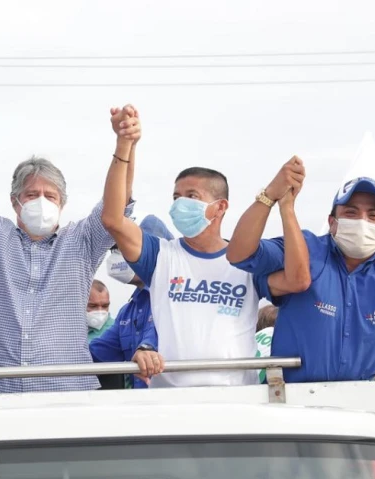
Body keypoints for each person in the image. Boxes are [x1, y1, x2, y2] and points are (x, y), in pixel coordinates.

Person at [0, 78, 137, 393]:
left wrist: (126, 144)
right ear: (15, 201)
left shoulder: (81, 241)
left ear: (62, 204)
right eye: (32, 193)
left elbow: (116, 205)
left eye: (50, 196)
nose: (41, 201)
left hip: (68, 393)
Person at [101, 106, 309, 388]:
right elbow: (114, 219)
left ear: (220, 206)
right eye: (176, 197)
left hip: (236, 402)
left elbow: (298, 281)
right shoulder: (160, 256)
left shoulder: (247, 264)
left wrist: (284, 206)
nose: (179, 204)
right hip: (171, 403)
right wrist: (125, 144)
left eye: (191, 196)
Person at [228, 159, 375, 383]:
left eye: (373, 216)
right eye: (351, 213)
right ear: (332, 222)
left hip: (358, 404)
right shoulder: (303, 249)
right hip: (290, 403)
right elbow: (240, 253)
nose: (362, 221)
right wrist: (269, 196)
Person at [90, 214, 172, 389]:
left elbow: (158, 333)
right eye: (117, 249)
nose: (121, 255)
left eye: (125, 247)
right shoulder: (129, 311)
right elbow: (97, 353)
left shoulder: (173, 301)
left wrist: (147, 349)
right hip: (142, 407)